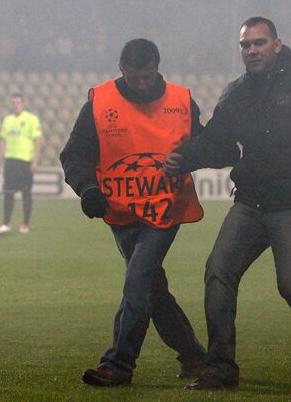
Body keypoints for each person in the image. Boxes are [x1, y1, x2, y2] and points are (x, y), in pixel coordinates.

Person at [165, 17, 291, 390]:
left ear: (277, 43)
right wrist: (186, 158)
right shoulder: (236, 93)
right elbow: (219, 144)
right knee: (218, 272)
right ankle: (220, 368)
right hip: (251, 201)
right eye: (245, 45)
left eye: (259, 43)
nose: (252, 50)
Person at [60, 39, 237, 387]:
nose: (142, 84)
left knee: (138, 280)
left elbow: (214, 148)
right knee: (152, 289)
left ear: (158, 67)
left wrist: (191, 157)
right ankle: (193, 356)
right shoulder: (99, 102)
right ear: (121, 69)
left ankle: (118, 364)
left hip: (166, 209)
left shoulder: (181, 101)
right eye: (134, 77)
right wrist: (88, 189)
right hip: (120, 212)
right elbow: (74, 154)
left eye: (148, 77)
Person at [0, 93, 43, 234]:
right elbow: (3, 141)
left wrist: (35, 161)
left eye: (18, 102)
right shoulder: (7, 120)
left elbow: (38, 141)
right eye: (13, 103)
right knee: (8, 192)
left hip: (25, 161)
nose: (16, 105)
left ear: (23, 103)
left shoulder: (31, 119)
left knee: (26, 192)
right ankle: (6, 223)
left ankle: (25, 224)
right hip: (10, 161)